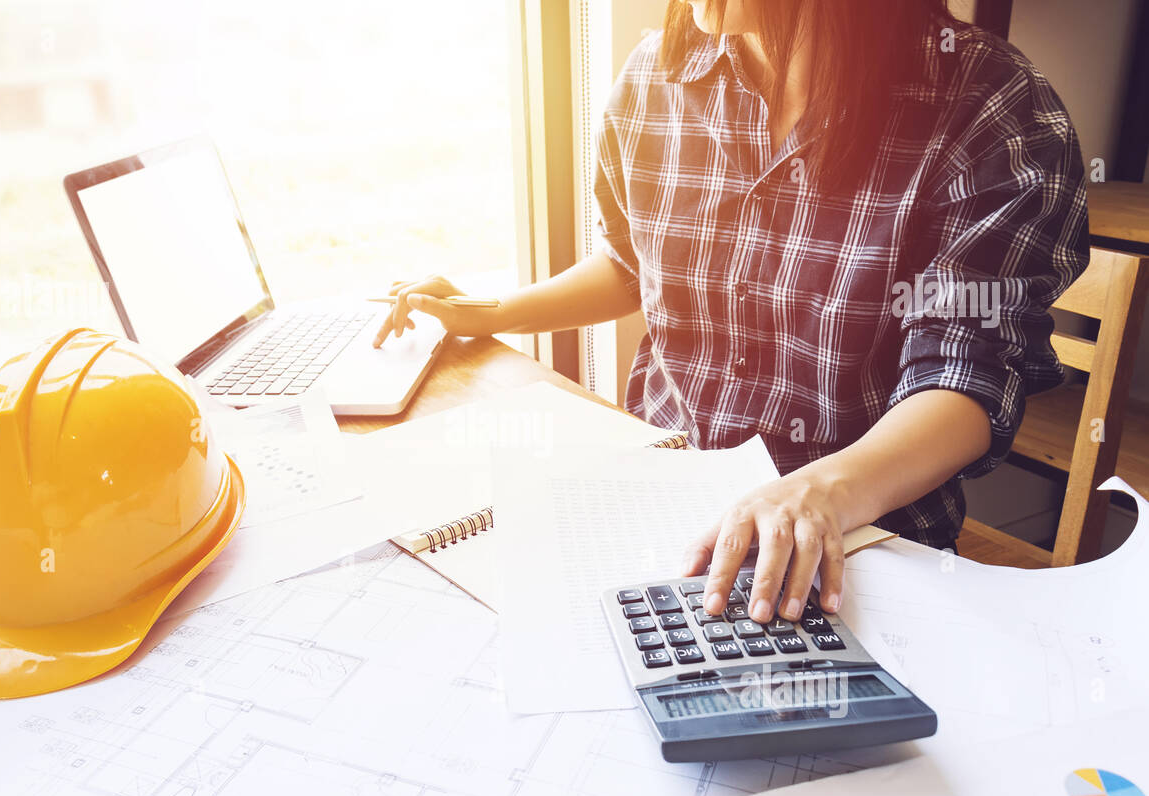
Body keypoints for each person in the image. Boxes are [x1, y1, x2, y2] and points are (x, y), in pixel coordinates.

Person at [371, 0, 1088, 626]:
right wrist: (490, 312)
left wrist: (817, 494)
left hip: (860, 549)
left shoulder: (988, 106)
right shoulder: (655, 74)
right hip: (656, 510)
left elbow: (964, 377)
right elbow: (633, 261)